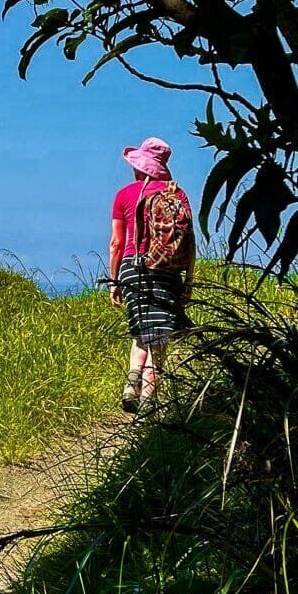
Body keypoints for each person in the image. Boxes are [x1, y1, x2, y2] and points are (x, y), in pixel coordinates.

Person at [108, 137, 195, 416]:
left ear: (139, 166)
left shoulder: (124, 195)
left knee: (141, 333)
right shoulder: (177, 195)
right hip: (166, 270)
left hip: (131, 268)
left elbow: (116, 244)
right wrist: (188, 280)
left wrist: (114, 281)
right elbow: (189, 241)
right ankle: (147, 405)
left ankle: (131, 386)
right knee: (158, 341)